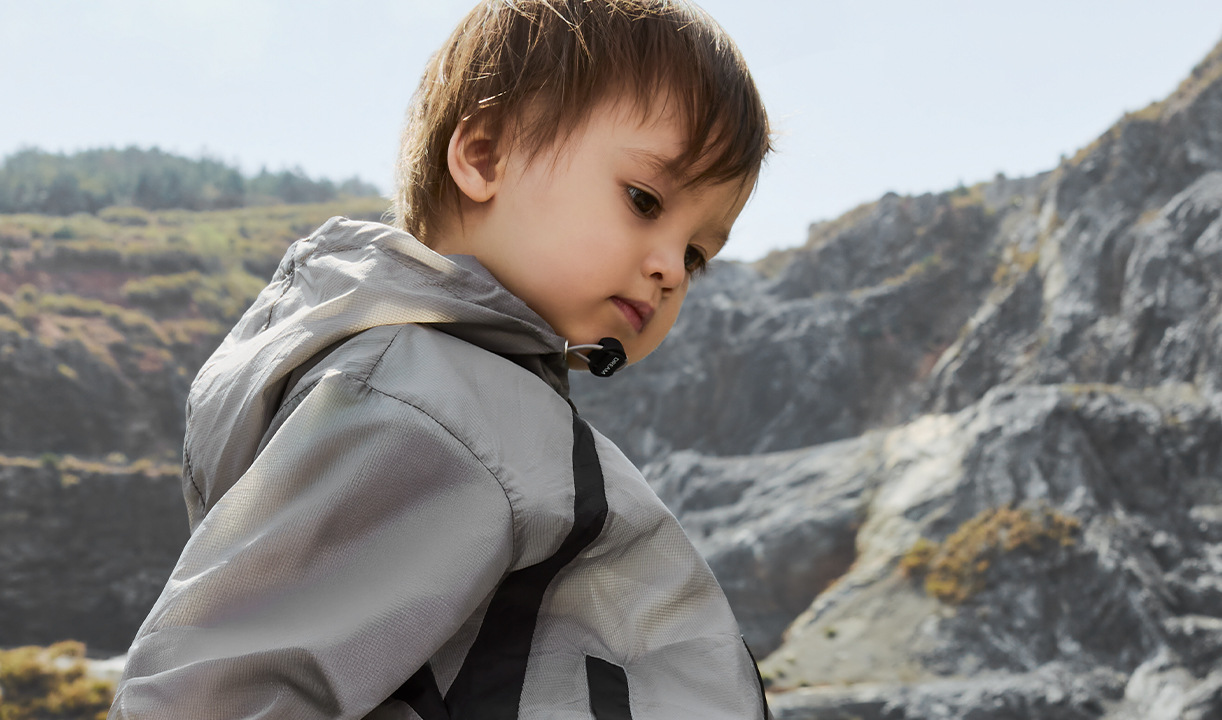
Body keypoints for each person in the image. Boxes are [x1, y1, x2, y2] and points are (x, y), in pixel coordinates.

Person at [109, 1, 772, 717]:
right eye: (644, 200)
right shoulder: (428, 405)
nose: (670, 268)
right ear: (484, 157)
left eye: (696, 254)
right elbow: (215, 695)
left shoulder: (461, 398)